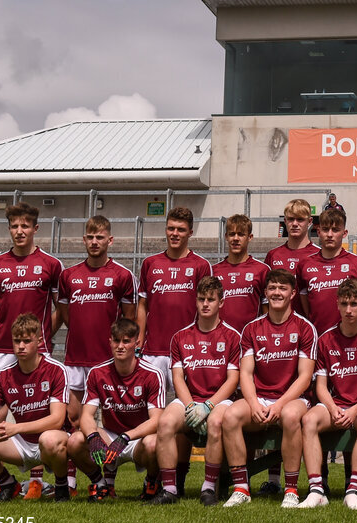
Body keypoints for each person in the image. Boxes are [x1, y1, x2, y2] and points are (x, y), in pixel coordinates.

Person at [0, 202, 63, 499]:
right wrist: (7, 331)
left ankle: (38, 481)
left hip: (38, 351)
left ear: (35, 229)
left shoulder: (51, 265)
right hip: (0, 348)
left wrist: (41, 338)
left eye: (25, 226)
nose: (19, 231)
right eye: (14, 226)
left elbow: (60, 310)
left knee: (36, 413)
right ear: (9, 229)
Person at [217, 269, 316, 508]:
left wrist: (279, 405)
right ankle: (241, 488)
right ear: (265, 293)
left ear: (292, 293)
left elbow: (305, 377)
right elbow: (246, 373)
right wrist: (253, 404)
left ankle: (291, 490)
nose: (277, 293)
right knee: (230, 417)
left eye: (282, 288)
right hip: (259, 397)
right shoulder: (252, 329)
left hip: (293, 399)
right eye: (272, 288)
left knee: (291, 416)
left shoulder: (305, 328)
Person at [57, 215, 137, 493]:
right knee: (73, 421)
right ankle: (73, 480)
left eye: (100, 237)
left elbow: (129, 320)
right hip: (76, 359)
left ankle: (110, 479)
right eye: (90, 237)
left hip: (107, 361)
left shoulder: (123, 275)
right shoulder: (68, 275)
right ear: (84, 240)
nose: (94, 242)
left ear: (110, 240)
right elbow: (66, 313)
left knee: (110, 421)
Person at [148, 277, 241, 505]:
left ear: (221, 302)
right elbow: (178, 378)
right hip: (190, 398)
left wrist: (208, 406)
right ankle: (170, 489)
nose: (205, 304)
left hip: (221, 400)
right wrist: (190, 406)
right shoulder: (180, 337)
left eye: (211, 299)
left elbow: (232, 380)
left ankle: (208, 488)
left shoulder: (232, 336)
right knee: (166, 422)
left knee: (216, 422)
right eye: (201, 299)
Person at [299, 278, 357, 510]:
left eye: (355, 304)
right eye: (344, 303)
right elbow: (320, 386)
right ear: (337, 304)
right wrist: (333, 408)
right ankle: (317, 490)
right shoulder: (326, 339)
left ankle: (353, 491)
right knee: (308, 420)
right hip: (336, 403)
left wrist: (355, 410)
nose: (349, 310)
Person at [0, 314, 71, 502]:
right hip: (21, 444)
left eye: (27, 341)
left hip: (51, 441)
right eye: (17, 341)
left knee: (49, 439)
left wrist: (16, 428)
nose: (21, 346)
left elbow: (57, 420)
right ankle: (7, 484)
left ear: (39, 341)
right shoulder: (4, 376)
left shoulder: (56, 370)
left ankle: (61, 486)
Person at [69, 318, 164, 502]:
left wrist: (126, 436)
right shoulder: (97, 373)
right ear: (110, 342)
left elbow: (156, 420)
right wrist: (93, 437)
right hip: (110, 435)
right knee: (74, 441)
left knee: (154, 443)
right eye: (116, 340)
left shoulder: (152, 374)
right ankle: (101, 483)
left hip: (138, 439)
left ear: (137, 343)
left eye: (126, 341)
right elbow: (87, 415)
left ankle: (151, 483)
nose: (120, 346)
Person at [262, 198, 319, 493]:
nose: (294, 224)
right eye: (290, 219)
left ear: (310, 222)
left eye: (300, 219)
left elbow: (310, 304)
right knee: (272, 404)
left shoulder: (318, 255)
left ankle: (317, 480)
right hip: (274, 338)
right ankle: (272, 479)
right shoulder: (273, 255)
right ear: (284, 221)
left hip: (305, 338)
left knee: (305, 413)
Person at [137, 206, 212, 390]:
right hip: (153, 350)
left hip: (188, 349)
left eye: (181, 229)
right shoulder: (150, 263)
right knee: (152, 407)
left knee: (187, 408)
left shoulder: (201, 265)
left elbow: (208, 309)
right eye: (171, 228)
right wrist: (139, 340)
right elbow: (142, 305)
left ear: (190, 233)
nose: (175, 233)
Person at [297, 207, 357, 336]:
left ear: (344, 233)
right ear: (319, 231)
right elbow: (304, 309)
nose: (330, 234)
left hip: (350, 339)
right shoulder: (304, 265)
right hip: (318, 338)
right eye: (326, 230)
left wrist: (350, 333)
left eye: (336, 230)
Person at [212, 213, 269, 333]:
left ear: (250, 237)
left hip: (251, 340)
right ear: (226, 236)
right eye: (232, 234)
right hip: (220, 340)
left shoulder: (262, 270)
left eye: (241, 234)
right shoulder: (213, 271)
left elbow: (267, 312)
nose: (236, 238)